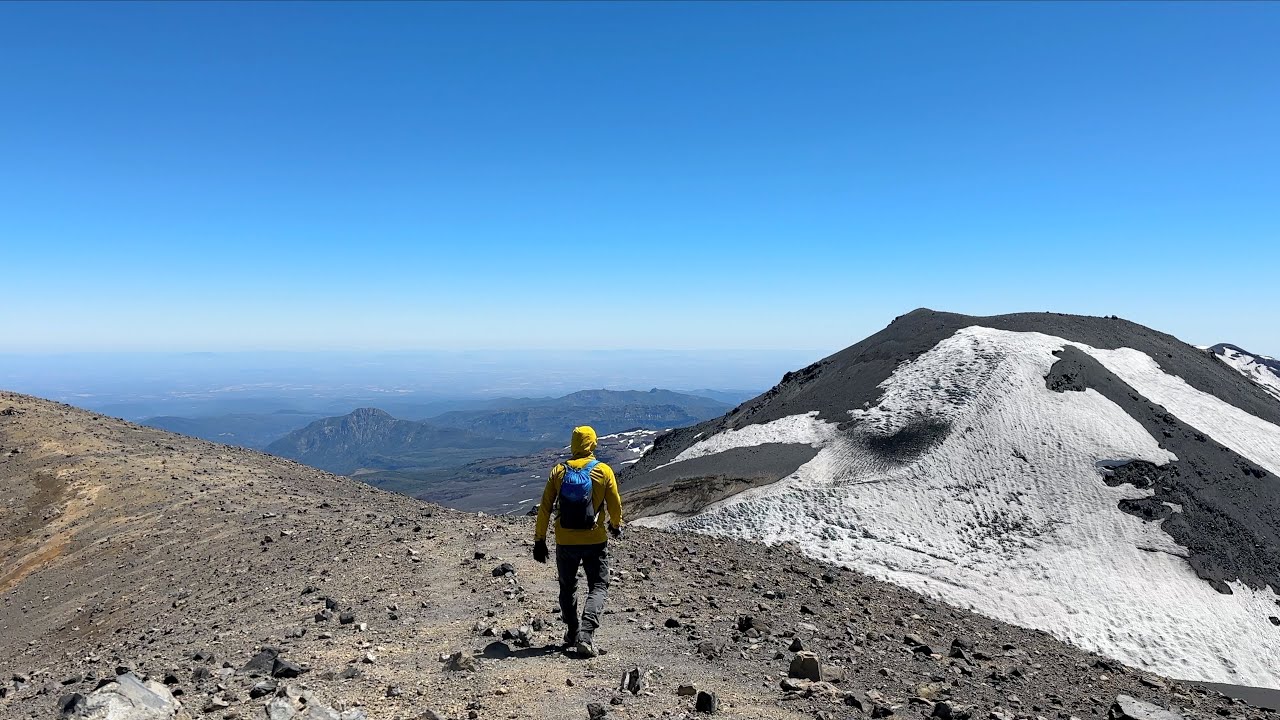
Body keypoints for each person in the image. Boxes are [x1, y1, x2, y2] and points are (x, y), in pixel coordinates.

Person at [533, 425, 623, 657]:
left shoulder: (558, 472)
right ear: (593, 444)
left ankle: (573, 630)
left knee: (567, 586)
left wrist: (540, 539)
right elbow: (614, 505)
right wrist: (615, 526)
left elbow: (545, 507)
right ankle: (586, 634)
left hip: (565, 539)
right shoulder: (603, 471)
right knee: (599, 585)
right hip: (595, 539)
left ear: (573, 444)